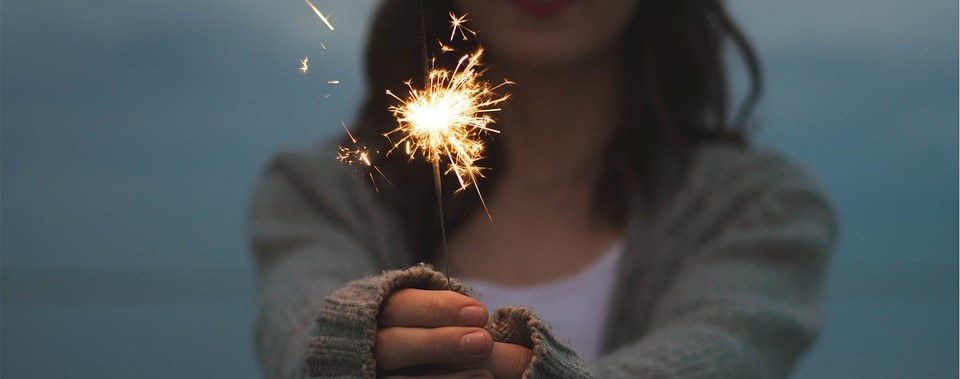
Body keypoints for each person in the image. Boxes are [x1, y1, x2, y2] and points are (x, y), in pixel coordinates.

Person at [249, 0, 837, 378]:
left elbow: (720, 357)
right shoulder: (326, 191)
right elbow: (301, 332)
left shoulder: (757, 210)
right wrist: (352, 342)